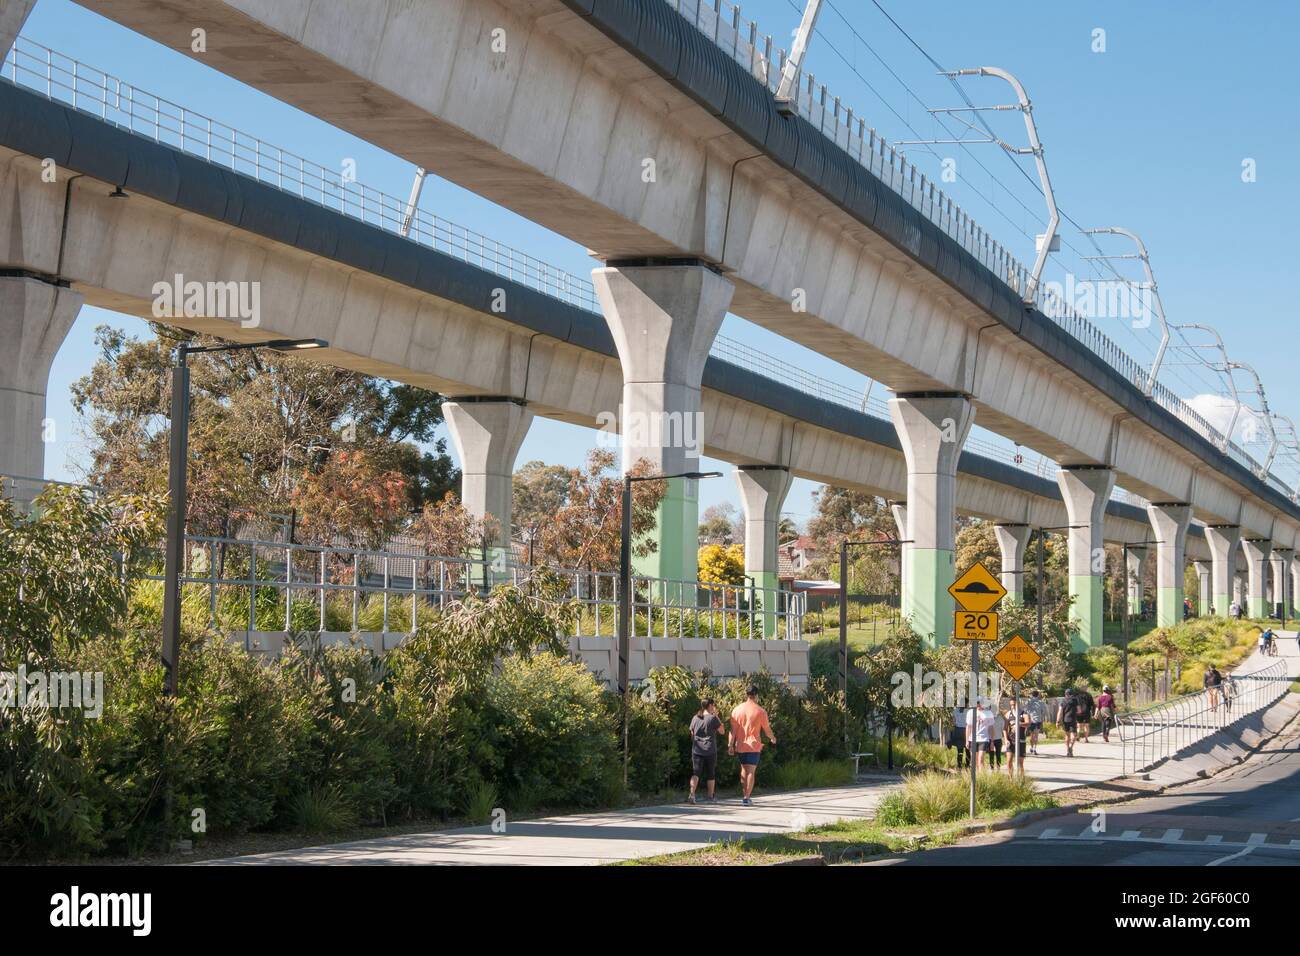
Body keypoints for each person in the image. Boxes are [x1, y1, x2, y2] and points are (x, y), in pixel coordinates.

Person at [728, 685, 776, 807]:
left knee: (743, 769)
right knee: (751, 771)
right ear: (756, 695)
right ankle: (747, 797)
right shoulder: (760, 711)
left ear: (746, 694)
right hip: (753, 745)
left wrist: (730, 745)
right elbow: (767, 729)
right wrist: (772, 738)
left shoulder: (736, 710)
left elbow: (732, 730)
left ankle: (745, 794)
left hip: (740, 744)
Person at [687, 698, 726, 804]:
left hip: (697, 750)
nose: (714, 706)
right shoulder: (713, 718)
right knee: (711, 773)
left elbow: (692, 733)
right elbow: (722, 731)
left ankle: (692, 794)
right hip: (710, 749)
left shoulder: (695, 718)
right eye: (713, 705)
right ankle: (710, 796)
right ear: (710, 706)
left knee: (696, 773)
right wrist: (716, 715)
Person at [965, 698, 995, 772]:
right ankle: (975, 778)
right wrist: (967, 740)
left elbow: (991, 728)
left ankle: (981, 777)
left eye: (979, 703)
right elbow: (968, 727)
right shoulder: (970, 712)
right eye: (977, 703)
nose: (978, 704)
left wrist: (992, 741)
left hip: (984, 739)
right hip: (973, 739)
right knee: (974, 760)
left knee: (980, 759)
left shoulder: (988, 713)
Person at [1003, 698, 1028, 776]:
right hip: (1011, 740)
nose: (1012, 706)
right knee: (1009, 760)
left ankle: (1021, 779)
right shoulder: (1008, 714)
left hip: (1021, 740)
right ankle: (1010, 779)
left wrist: (1019, 724)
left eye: (1014, 704)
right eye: (1011, 705)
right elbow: (1004, 728)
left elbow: (1028, 723)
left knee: (1020, 763)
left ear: (1018, 704)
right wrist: (1006, 739)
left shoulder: (1023, 713)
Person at [1058, 688, 1079, 758]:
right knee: (1074, 734)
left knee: (1067, 735)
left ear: (1065, 694)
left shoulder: (1063, 701)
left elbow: (1060, 711)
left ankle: (1067, 750)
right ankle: (1071, 746)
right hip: (1073, 719)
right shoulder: (1075, 700)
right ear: (1071, 694)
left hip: (1065, 720)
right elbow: (1079, 710)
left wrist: (1058, 721)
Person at [1025, 690, 1047, 756]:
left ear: (1032, 695)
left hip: (1030, 720)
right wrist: (1043, 718)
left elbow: (1025, 711)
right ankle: (1034, 748)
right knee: (1036, 735)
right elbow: (1043, 712)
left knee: (1031, 735)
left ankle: (1031, 747)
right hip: (1038, 720)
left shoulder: (1028, 702)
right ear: (1038, 695)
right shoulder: (1041, 702)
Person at [949, 704, 968, 769]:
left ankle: (959, 765)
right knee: (967, 749)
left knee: (960, 750)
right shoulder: (968, 711)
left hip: (957, 730)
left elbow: (953, 721)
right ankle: (967, 765)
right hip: (966, 730)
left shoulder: (955, 710)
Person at [990, 704, 1006, 770]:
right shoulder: (1000, 718)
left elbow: (1003, 728)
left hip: (995, 738)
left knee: (995, 754)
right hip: (995, 738)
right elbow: (1003, 728)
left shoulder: (999, 718)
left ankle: (995, 768)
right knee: (997, 754)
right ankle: (995, 768)